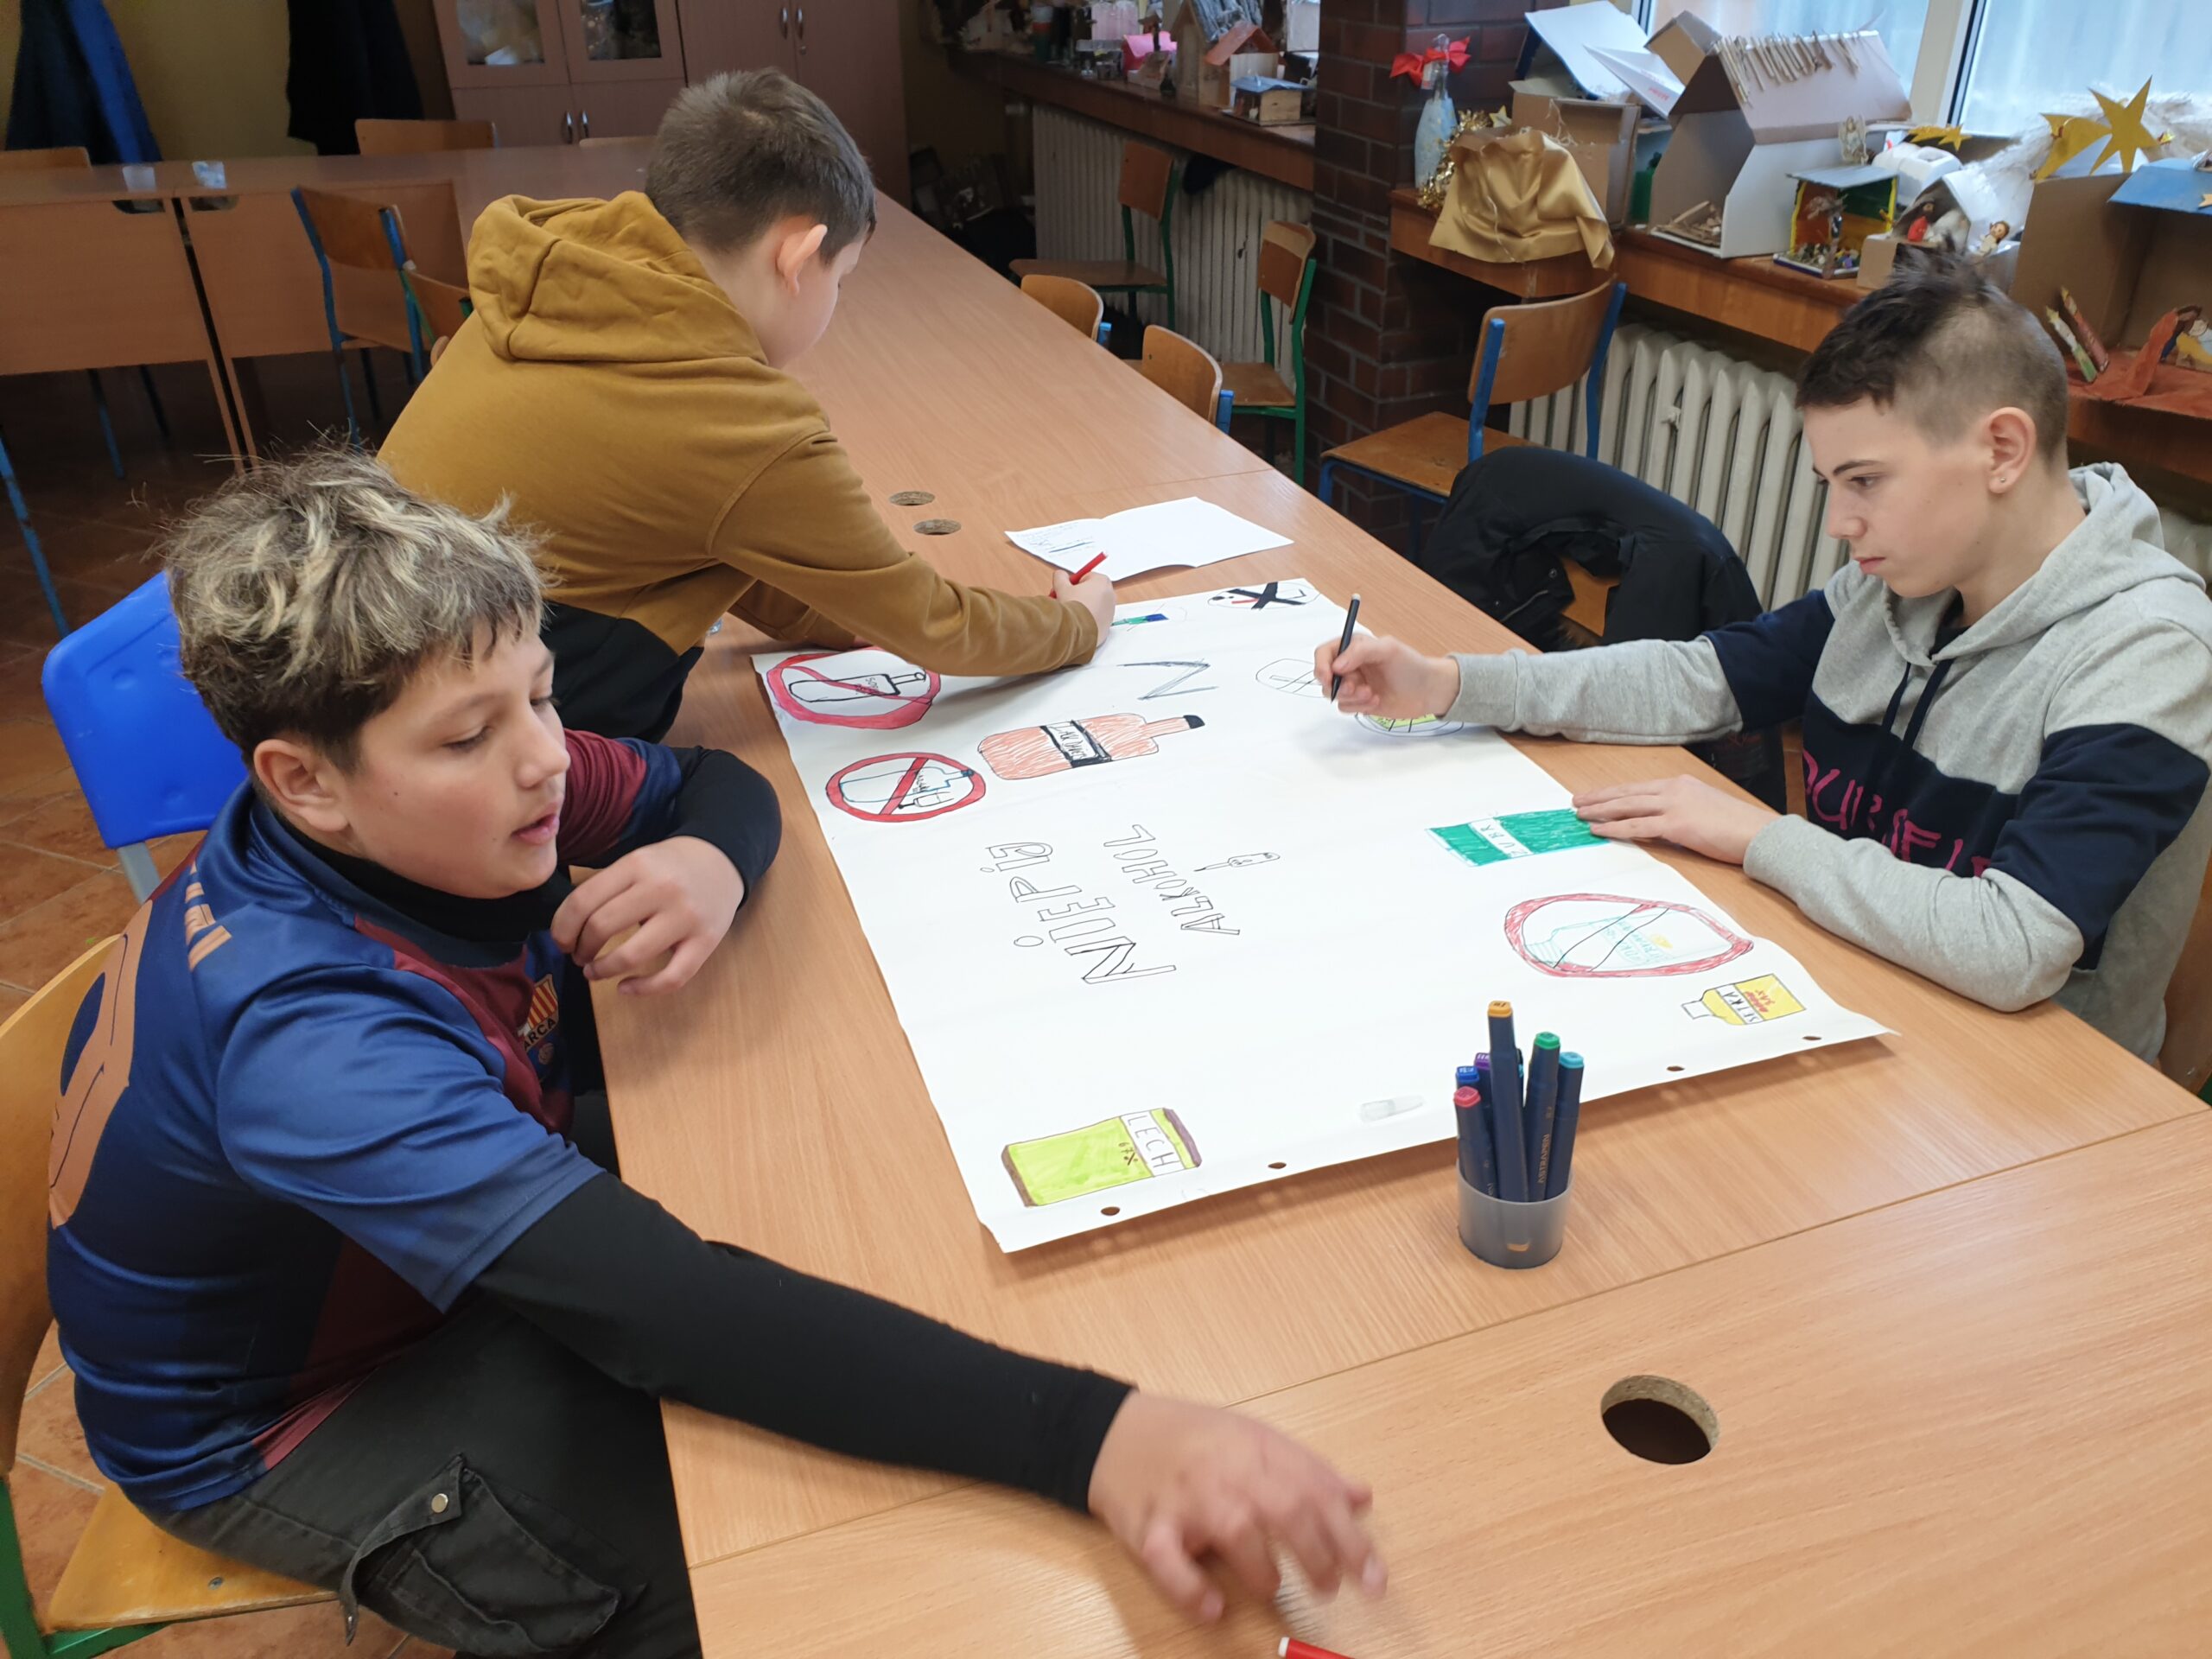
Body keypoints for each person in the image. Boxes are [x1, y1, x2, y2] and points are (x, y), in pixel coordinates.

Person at [47, 454, 1382, 1659]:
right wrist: (1094, 1437)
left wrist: (705, 862)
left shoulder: (430, 798)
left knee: (848, 1200)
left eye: (540, 695)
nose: (545, 762)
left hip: (411, 1253)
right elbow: (665, 1310)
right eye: (470, 735)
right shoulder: (308, 1040)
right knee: (797, 1576)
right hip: (299, 1413)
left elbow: (706, 786)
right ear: (304, 781)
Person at [1316, 258, 2212, 1062]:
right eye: (1832, 485)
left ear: (2002, 450)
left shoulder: (2145, 652)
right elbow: (1702, 677)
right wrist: (1450, 684)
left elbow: (2014, 946)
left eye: (1866, 481)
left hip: (2033, 1080)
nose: (1840, 523)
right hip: (1857, 980)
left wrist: (1759, 836)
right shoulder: (1908, 581)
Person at [378, 68, 1112, 741]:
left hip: (379, 658)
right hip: (485, 733)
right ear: (797, 256)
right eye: (841, 278)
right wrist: (1076, 625)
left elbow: (723, 531)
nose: (837, 301)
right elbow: (932, 623)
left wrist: (849, 615)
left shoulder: (561, 282)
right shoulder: (736, 419)